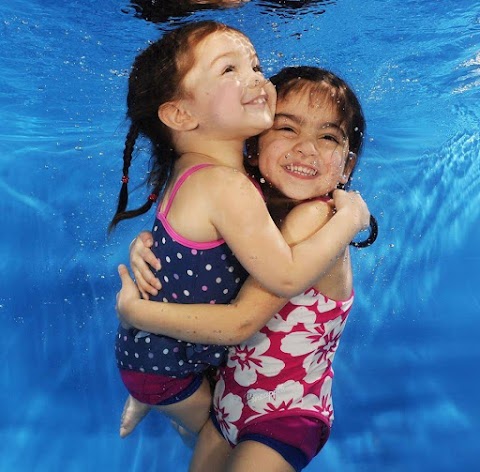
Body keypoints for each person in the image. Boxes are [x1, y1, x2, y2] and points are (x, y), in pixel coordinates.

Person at [116, 66, 372, 471]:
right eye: (287, 129)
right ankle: (157, 394)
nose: (307, 149)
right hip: (227, 404)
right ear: (253, 146)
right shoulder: (251, 214)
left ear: (346, 166)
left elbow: (242, 321)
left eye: (328, 137)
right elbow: (196, 262)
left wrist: (134, 312)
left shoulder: (317, 219)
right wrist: (146, 245)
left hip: (286, 415)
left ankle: (157, 394)